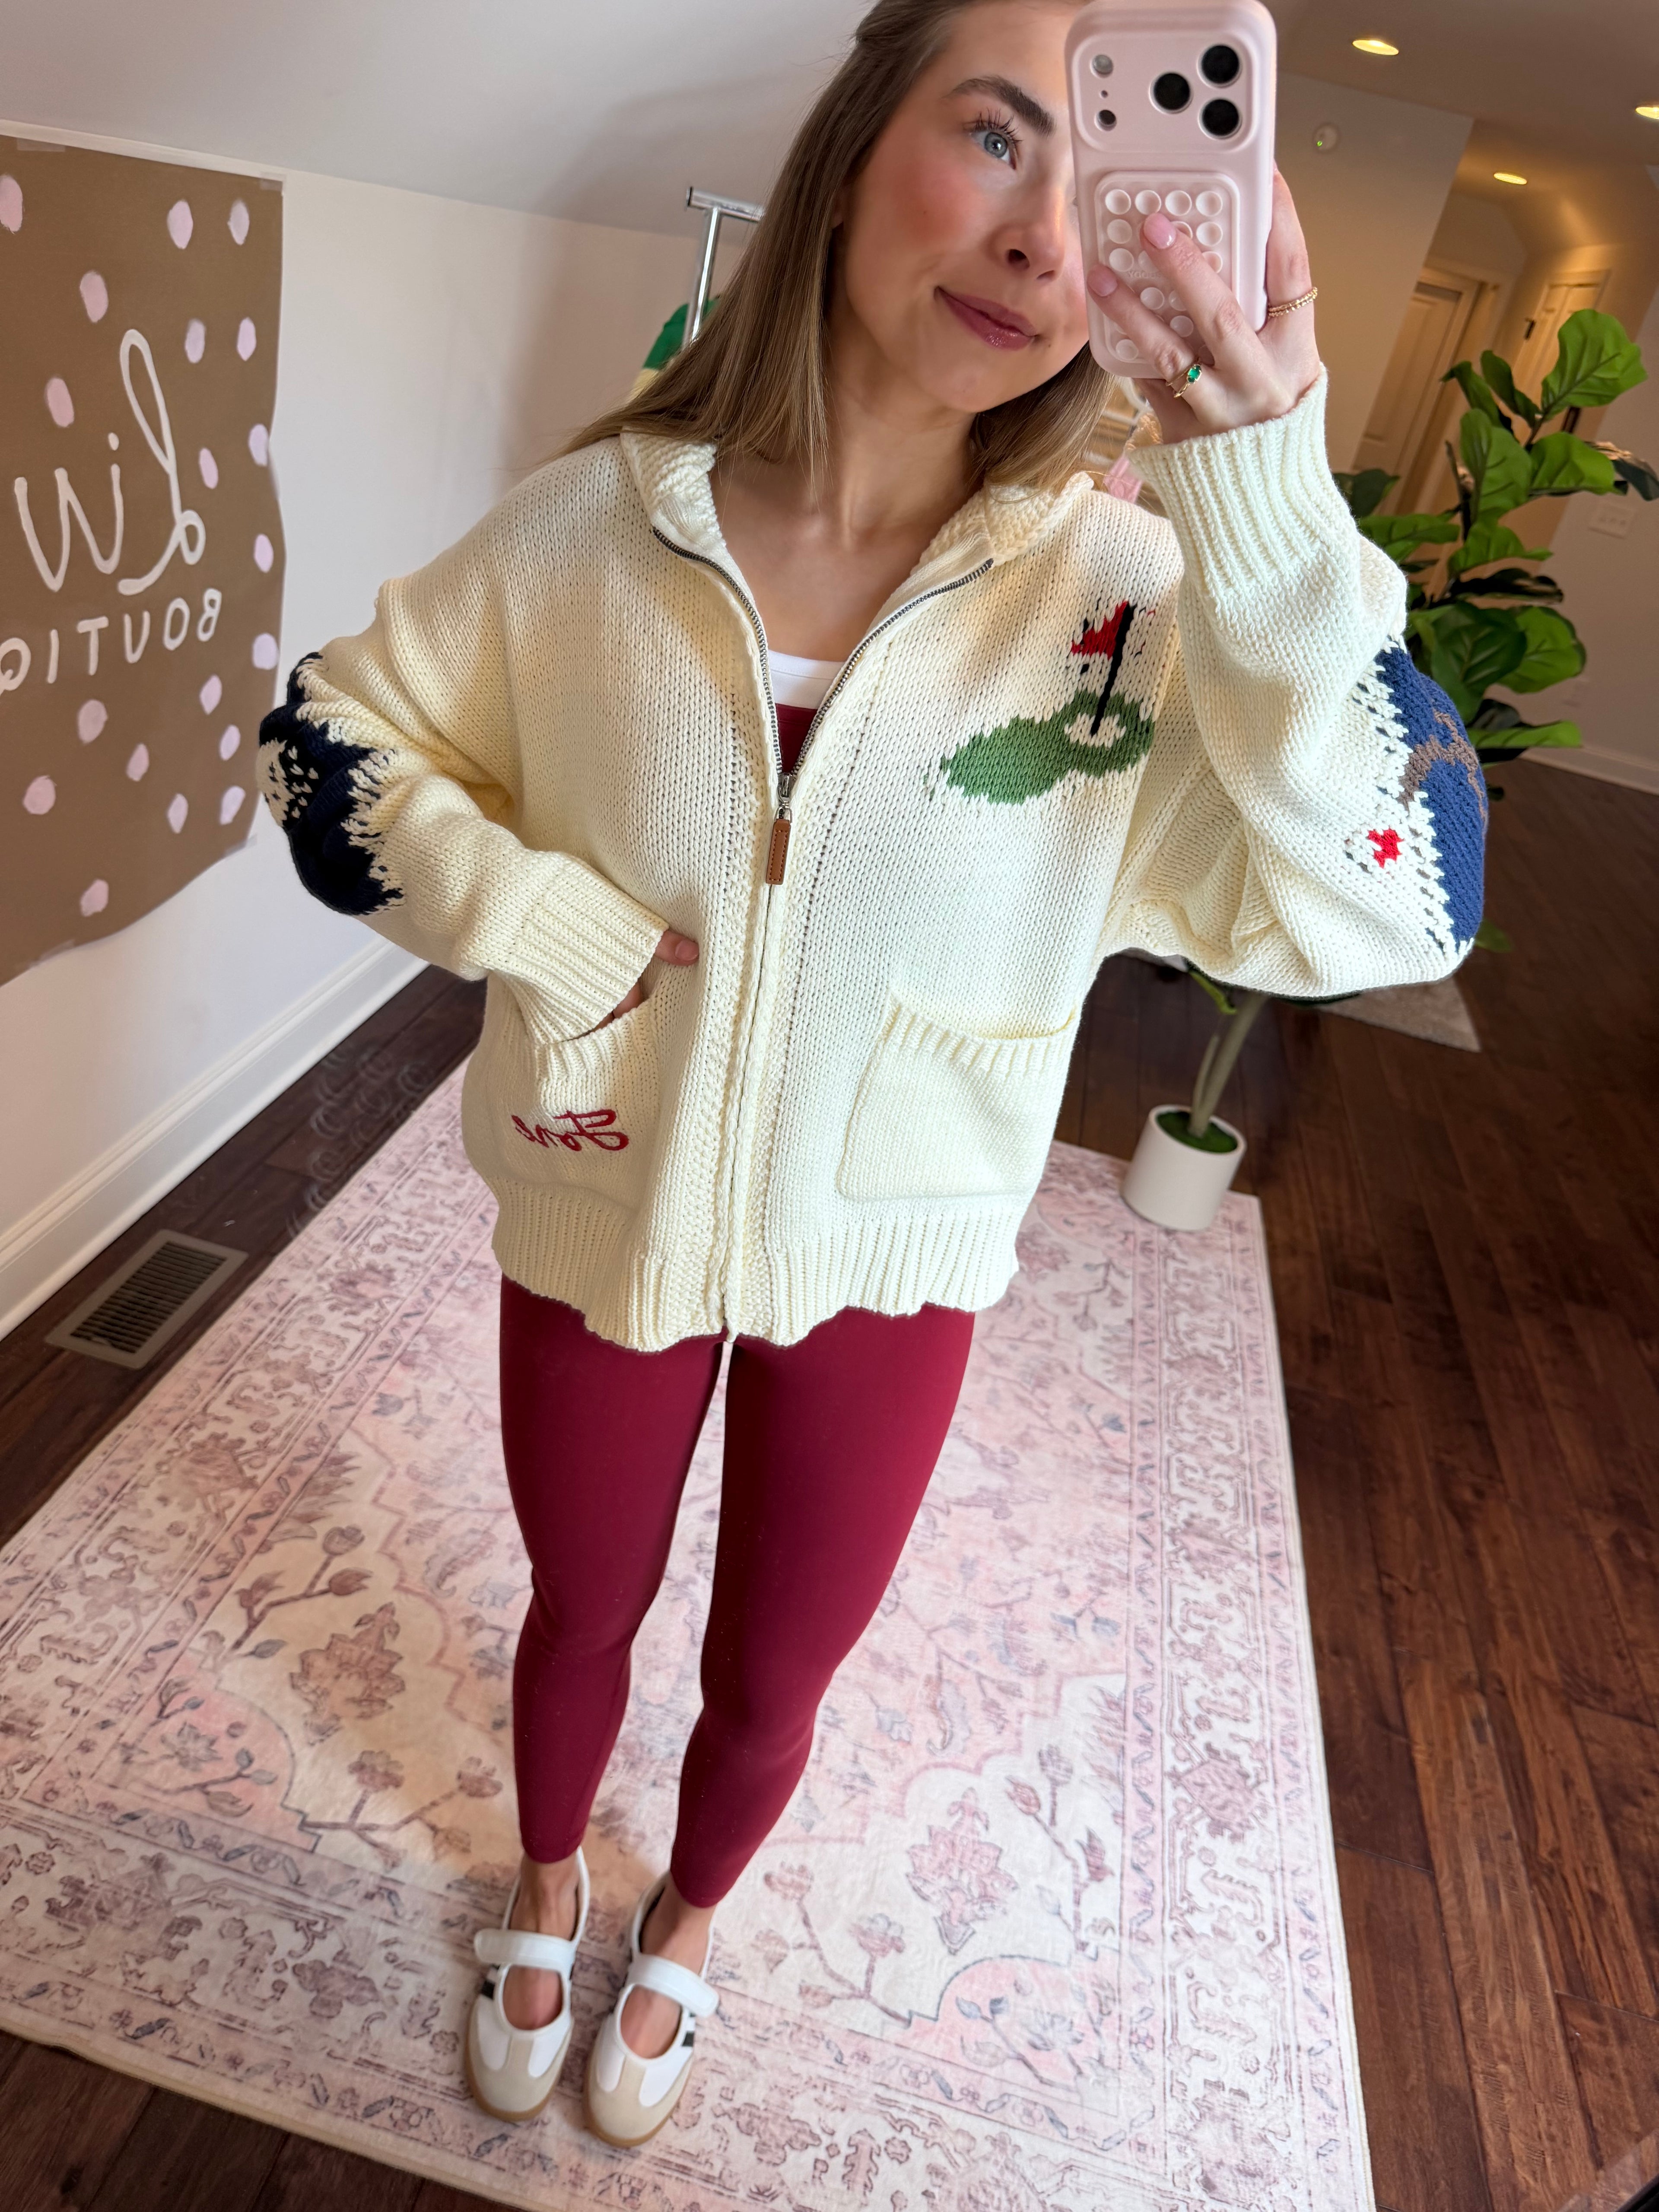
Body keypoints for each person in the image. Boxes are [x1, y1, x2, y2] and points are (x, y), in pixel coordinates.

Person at [257, 0, 1487, 2151]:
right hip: (600, 1183)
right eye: (993, 137)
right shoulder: (591, 533)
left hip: (900, 1242)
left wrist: (1266, 495)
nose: (1036, 238)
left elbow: (1407, 904)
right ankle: (548, 1892)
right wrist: (535, 919)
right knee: (584, 1598)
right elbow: (326, 738)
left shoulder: (1132, 611)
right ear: (854, 150)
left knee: (779, 1665)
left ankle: (692, 1924)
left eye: (1095, 195)